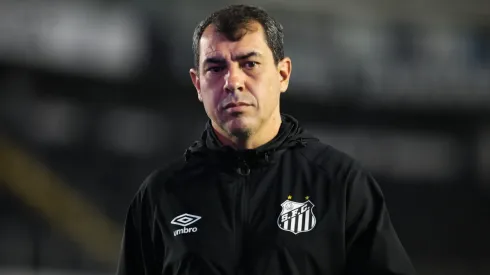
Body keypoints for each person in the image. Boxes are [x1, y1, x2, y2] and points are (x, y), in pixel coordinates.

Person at [116, 4, 416, 275]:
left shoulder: (341, 183)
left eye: (249, 64)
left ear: (283, 74)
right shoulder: (160, 196)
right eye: (216, 68)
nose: (233, 82)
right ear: (198, 83)